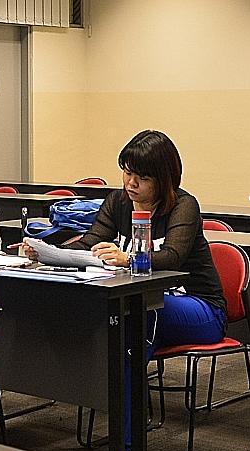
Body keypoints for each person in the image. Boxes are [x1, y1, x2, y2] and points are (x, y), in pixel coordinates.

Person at [54, 129, 225, 349]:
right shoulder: (118, 201)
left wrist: (128, 258)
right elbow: (90, 243)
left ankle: (125, 383)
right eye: (127, 173)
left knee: (140, 311)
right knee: (114, 309)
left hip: (201, 306)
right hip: (143, 298)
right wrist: (48, 252)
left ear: (164, 179)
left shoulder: (184, 206)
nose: (131, 183)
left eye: (143, 178)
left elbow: (172, 257)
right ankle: (101, 381)